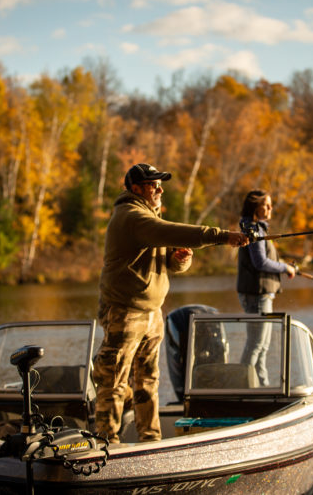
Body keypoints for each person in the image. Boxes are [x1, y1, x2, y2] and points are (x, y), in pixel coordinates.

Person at [95, 163, 248, 443]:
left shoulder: (150, 219)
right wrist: (224, 236)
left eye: (160, 183)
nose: (160, 189)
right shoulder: (131, 217)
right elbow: (175, 232)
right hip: (125, 312)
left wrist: (181, 259)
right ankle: (107, 444)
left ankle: (150, 439)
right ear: (137, 189)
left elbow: (172, 265)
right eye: (154, 184)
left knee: (148, 383)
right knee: (114, 382)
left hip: (152, 313)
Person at [236, 190, 296, 386]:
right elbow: (260, 263)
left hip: (262, 294)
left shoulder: (255, 228)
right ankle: (240, 388)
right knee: (256, 345)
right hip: (257, 295)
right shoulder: (252, 229)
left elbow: (264, 260)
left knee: (262, 346)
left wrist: (285, 266)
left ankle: (262, 387)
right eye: (267, 205)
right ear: (256, 207)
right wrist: (286, 268)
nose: (270, 208)